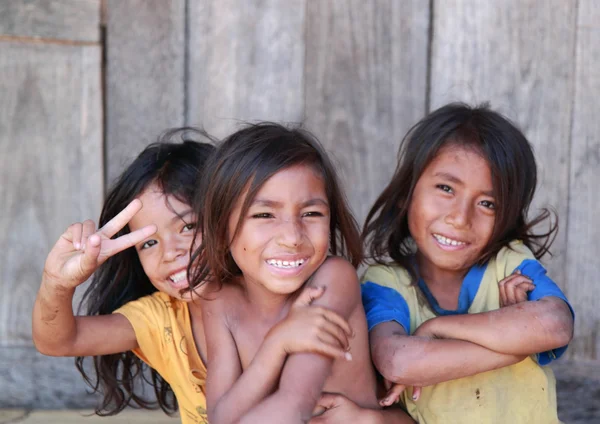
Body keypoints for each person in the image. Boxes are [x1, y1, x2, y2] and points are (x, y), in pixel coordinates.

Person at [32, 128, 359, 424]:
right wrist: (57, 282)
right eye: (148, 242)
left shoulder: (319, 284)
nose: (170, 252)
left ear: (224, 217)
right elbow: (59, 339)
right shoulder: (163, 320)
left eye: (188, 226)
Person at [360, 103, 575, 423]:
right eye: (446, 188)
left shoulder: (509, 262)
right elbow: (398, 361)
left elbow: (556, 325)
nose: (460, 218)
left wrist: (437, 328)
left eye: (487, 203)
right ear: (407, 193)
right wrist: (516, 342)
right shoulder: (386, 282)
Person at [188, 123, 414, 424]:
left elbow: (294, 404)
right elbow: (220, 417)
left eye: (311, 214)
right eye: (264, 215)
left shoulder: (333, 280)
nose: (292, 237)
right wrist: (276, 344)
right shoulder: (220, 301)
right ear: (220, 227)